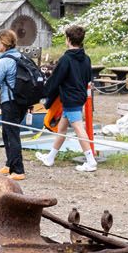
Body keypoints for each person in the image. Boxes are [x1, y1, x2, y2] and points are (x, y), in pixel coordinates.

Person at [0, 28, 42, 179]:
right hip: (22, 101)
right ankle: (9, 164)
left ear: (4, 44)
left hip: (10, 102)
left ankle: (18, 171)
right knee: (7, 132)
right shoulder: (21, 57)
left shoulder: (4, 62)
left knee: (12, 134)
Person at [36, 24, 96, 173]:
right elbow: (88, 78)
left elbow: (55, 79)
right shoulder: (86, 59)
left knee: (78, 128)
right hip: (79, 97)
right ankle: (50, 157)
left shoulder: (66, 59)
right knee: (61, 128)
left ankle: (90, 160)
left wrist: (42, 92)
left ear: (68, 39)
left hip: (70, 99)